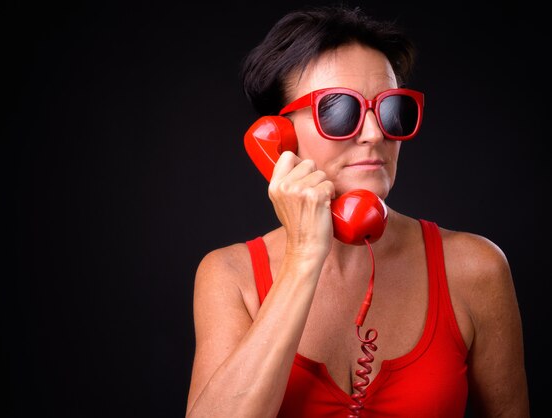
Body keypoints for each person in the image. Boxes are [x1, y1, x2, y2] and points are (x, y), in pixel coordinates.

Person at [185, 4, 529, 417]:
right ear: (277, 134)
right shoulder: (229, 277)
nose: (374, 133)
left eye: (390, 108)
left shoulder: (476, 269)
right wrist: (301, 262)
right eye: (338, 109)